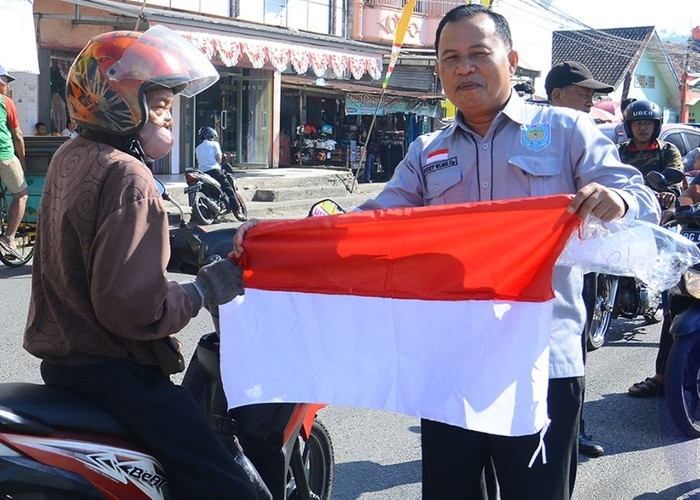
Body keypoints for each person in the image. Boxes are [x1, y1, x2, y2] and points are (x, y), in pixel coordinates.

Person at [234, 6, 659, 499]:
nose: (464, 67)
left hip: (541, 363)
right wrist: (281, 239)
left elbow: (643, 202)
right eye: (450, 57)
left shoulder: (567, 132)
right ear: (438, 69)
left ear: (512, 59)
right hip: (450, 363)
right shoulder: (427, 151)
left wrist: (619, 200)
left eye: (479, 54)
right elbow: (370, 225)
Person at [23, 26, 258, 500]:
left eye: (172, 104)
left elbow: (87, 243)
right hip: (117, 373)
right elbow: (132, 311)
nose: (171, 117)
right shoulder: (131, 176)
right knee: (232, 490)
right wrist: (204, 290)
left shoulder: (73, 155)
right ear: (119, 102)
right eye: (160, 105)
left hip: (65, 365)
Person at [545, 60, 614, 459]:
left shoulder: (588, 136)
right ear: (557, 95)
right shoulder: (527, 135)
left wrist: (617, 200)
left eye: (593, 93)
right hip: (523, 275)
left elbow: (627, 190)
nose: (591, 99)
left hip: (576, 265)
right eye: (583, 91)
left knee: (575, 347)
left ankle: (576, 429)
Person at [621, 100, 685, 398]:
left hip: (659, 218)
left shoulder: (667, 150)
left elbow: (676, 178)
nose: (642, 128)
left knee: (673, 289)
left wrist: (669, 195)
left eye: (647, 123)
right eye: (637, 123)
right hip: (623, 217)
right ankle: (663, 376)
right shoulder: (621, 153)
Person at [0, 65, 29, 260]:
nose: (6, 86)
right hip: (4, 155)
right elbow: (17, 135)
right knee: (21, 194)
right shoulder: (6, 102)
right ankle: (9, 237)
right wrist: (23, 160)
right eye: (4, 82)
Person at [195, 125, 242, 217]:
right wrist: (219, 162)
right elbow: (219, 159)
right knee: (229, 188)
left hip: (202, 173)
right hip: (214, 171)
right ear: (211, 135)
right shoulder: (215, 144)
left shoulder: (198, 148)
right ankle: (237, 210)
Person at [545, 60, 614, 113]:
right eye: (585, 95)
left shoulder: (583, 129)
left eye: (591, 96)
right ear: (557, 96)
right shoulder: (539, 128)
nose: (590, 103)